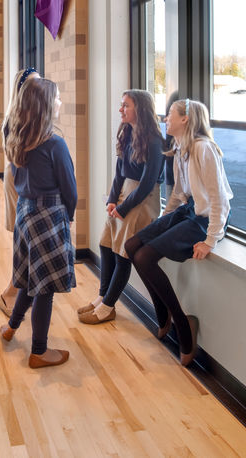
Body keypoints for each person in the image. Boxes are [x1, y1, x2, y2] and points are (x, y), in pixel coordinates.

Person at [125, 98, 232, 366]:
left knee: (144, 257)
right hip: (188, 211)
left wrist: (211, 239)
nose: (165, 119)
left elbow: (219, 200)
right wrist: (162, 222)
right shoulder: (179, 147)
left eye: (170, 114)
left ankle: (183, 324)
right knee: (132, 246)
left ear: (185, 119)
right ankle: (163, 313)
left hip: (205, 219)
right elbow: (178, 193)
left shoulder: (203, 149)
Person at [0, 77, 77, 368]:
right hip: (49, 216)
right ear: (45, 106)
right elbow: (70, 189)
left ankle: (11, 327)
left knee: (29, 279)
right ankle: (39, 351)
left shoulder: (18, 139)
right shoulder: (54, 144)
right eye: (56, 99)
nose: (60, 103)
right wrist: (68, 217)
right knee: (44, 288)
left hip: (25, 213)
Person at [78, 90, 165, 325]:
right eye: (121, 105)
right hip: (125, 193)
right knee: (106, 244)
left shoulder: (155, 140)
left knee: (123, 253)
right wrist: (112, 199)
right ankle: (102, 297)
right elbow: (119, 171)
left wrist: (124, 208)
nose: (121, 109)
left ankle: (108, 307)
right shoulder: (127, 132)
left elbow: (147, 184)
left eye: (125, 105)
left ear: (140, 109)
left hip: (141, 201)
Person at [0, 67, 41, 317]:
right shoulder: (18, 118)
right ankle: (10, 293)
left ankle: (20, 292)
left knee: (23, 241)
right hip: (18, 180)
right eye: (34, 84)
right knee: (22, 241)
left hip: (21, 178)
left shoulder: (31, 115)